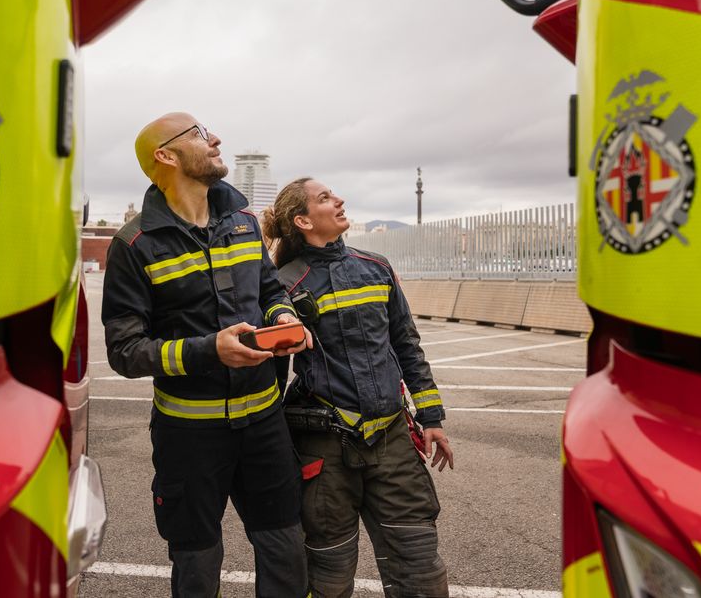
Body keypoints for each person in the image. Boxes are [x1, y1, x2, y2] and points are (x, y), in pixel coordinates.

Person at [102, 113, 312, 598]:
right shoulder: (134, 244)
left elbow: (269, 290)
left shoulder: (243, 222)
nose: (215, 138)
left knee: (286, 553)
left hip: (264, 426)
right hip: (188, 437)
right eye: (199, 134)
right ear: (166, 156)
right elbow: (125, 351)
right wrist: (209, 350)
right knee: (196, 566)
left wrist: (282, 318)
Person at [263, 177, 455, 598]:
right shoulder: (282, 284)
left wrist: (432, 418)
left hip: (393, 442)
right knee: (327, 577)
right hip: (323, 451)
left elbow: (406, 345)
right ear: (303, 221)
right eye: (325, 198)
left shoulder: (377, 267)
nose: (339, 200)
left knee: (420, 568)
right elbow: (272, 378)